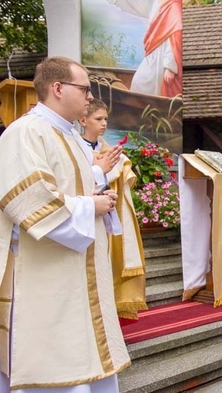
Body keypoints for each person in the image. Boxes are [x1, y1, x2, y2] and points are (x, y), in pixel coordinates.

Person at [0, 56, 131, 393]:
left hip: (72, 273)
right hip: (39, 278)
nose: (89, 98)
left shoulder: (66, 136)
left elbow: (68, 186)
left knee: (81, 359)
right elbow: (30, 203)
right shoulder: (25, 134)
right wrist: (89, 206)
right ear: (58, 88)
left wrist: (97, 181)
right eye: (84, 89)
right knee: (52, 360)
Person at [79, 99, 148, 320]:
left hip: (107, 216)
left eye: (106, 119)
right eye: (98, 119)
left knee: (107, 263)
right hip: (84, 213)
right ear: (83, 120)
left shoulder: (109, 151)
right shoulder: (75, 148)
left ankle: (107, 311)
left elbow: (122, 175)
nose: (104, 124)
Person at [107, 0, 182, 97]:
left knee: (142, 83)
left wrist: (170, 67)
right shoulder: (156, 3)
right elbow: (136, 5)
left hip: (163, 58)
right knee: (139, 83)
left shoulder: (174, 6)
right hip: (153, 52)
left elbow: (176, 34)